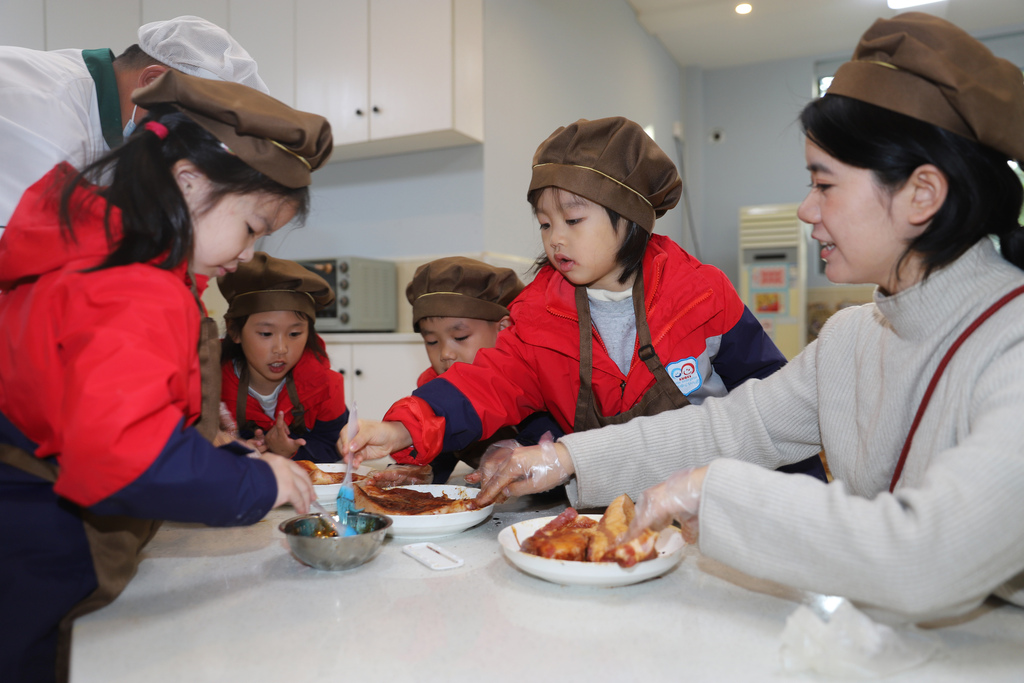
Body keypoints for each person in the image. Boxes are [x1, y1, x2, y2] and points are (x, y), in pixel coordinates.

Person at [471, 13, 1024, 625]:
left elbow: (929, 556)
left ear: (923, 193)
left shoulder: (1012, 347)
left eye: (825, 184)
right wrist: (565, 458)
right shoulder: (850, 339)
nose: (806, 209)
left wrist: (716, 493)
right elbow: (727, 428)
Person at [0, 70, 331, 682]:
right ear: (189, 181)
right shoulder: (134, 286)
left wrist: (209, 443)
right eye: (254, 226)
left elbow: (115, 400)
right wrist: (260, 483)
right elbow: (124, 457)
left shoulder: (115, 252)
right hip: (36, 538)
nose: (251, 252)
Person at [345, 117, 826, 483]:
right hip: (600, 497)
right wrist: (402, 429)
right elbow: (485, 384)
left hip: (707, 493)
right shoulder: (538, 314)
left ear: (631, 218)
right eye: (544, 222)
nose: (555, 238)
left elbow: (772, 398)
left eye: (573, 220)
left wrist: (804, 496)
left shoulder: (701, 295)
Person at [0, 14, 269, 229]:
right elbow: (22, 250)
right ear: (153, 83)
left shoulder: (104, 115)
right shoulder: (46, 109)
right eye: (191, 126)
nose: (185, 145)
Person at [375, 256, 564, 485]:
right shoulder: (437, 389)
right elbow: (438, 450)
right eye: (432, 341)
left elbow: (558, 452)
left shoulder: (538, 382)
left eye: (460, 337)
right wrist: (415, 472)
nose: (445, 353)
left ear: (503, 329)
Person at [218, 252, 348, 464]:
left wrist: (290, 451)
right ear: (235, 332)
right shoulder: (212, 384)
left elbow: (335, 446)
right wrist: (236, 448)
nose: (281, 349)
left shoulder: (325, 385)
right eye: (266, 334)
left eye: (295, 334)